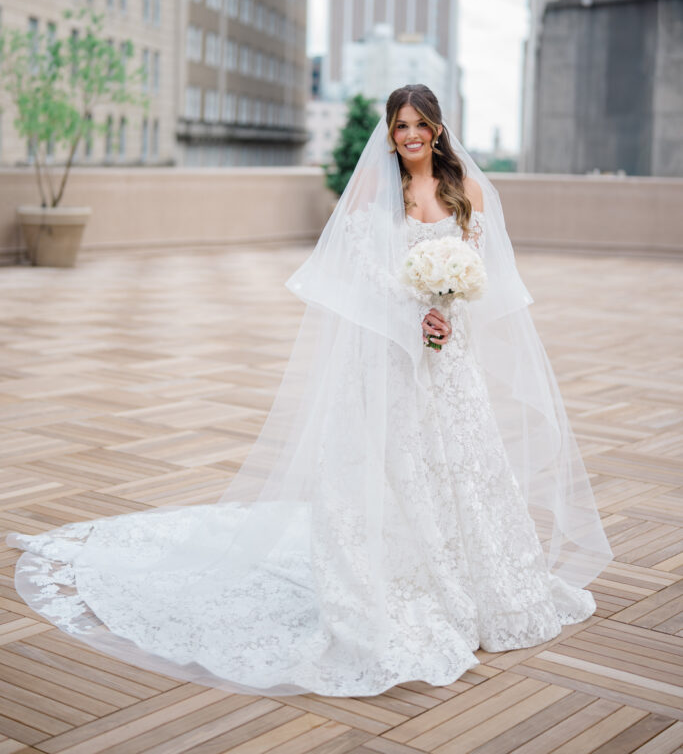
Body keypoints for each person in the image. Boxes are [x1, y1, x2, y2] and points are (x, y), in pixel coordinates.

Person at [6, 84, 612, 698]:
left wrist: (447, 314)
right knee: (395, 467)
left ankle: (479, 587)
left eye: (419, 124)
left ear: (436, 128)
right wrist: (410, 312)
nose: (408, 136)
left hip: (449, 360)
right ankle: (401, 583)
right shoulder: (380, 190)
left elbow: (481, 277)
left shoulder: (467, 191)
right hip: (389, 356)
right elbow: (356, 269)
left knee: (459, 465)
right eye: (399, 125)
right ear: (390, 131)